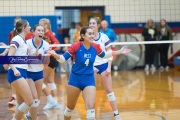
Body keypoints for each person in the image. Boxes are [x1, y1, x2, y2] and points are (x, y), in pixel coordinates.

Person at [47, 26, 132, 120]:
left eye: (93, 33)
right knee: (69, 108)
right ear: (83, 35)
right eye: (90, 34)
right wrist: (55, 55)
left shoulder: (95, 46)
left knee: (91, 107)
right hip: (75, 79)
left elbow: (104, 55)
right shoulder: (75, 46)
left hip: (89, 79)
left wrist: (119, 52)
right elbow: (63, 59)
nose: (92, 36)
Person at [89, 17, 121, 120]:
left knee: (109, 90)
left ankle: (116, 114)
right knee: (91, 91)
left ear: (98, 25)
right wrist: (91, 66)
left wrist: (109, 67)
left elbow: (110, 52)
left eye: (93, 23)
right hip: (92, 66)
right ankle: (91, 115)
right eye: (90, 23)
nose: (91, 25)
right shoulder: (87, 37)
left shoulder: (104, 37)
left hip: (103, 65)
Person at [7, 19, 34, 120]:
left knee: (21, 102)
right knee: (29, 101)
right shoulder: (17, 39)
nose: (30, 27)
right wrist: (14, 69)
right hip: (16, 72)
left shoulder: (22, 40)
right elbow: (9, 57)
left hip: (22, 71)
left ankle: (19, 117)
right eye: (28, 25)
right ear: (23, 28)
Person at [25, 24, 50, 119]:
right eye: (38, 30)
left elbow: (46, 63)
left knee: (37, 99)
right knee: (34, 97)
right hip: (29, 73)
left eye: (42, 30)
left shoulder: (46, 45)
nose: (41, 32)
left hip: (39, 73)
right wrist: (34, 57)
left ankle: (29, 114)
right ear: (33, 32)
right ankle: (32, 116)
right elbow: (23, 60)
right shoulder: (27, 43)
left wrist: (40, 58)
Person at [39, 18, 60, 110]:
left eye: (41, 24)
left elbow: (57, 43)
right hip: (49, 60)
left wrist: (49, 50)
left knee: (39, 80)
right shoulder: (42, 34)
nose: (40, 26)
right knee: (50, 81)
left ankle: (51, 100)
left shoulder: (49, 34)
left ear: (46, 25)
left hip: (50, 60)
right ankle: (54, 102)